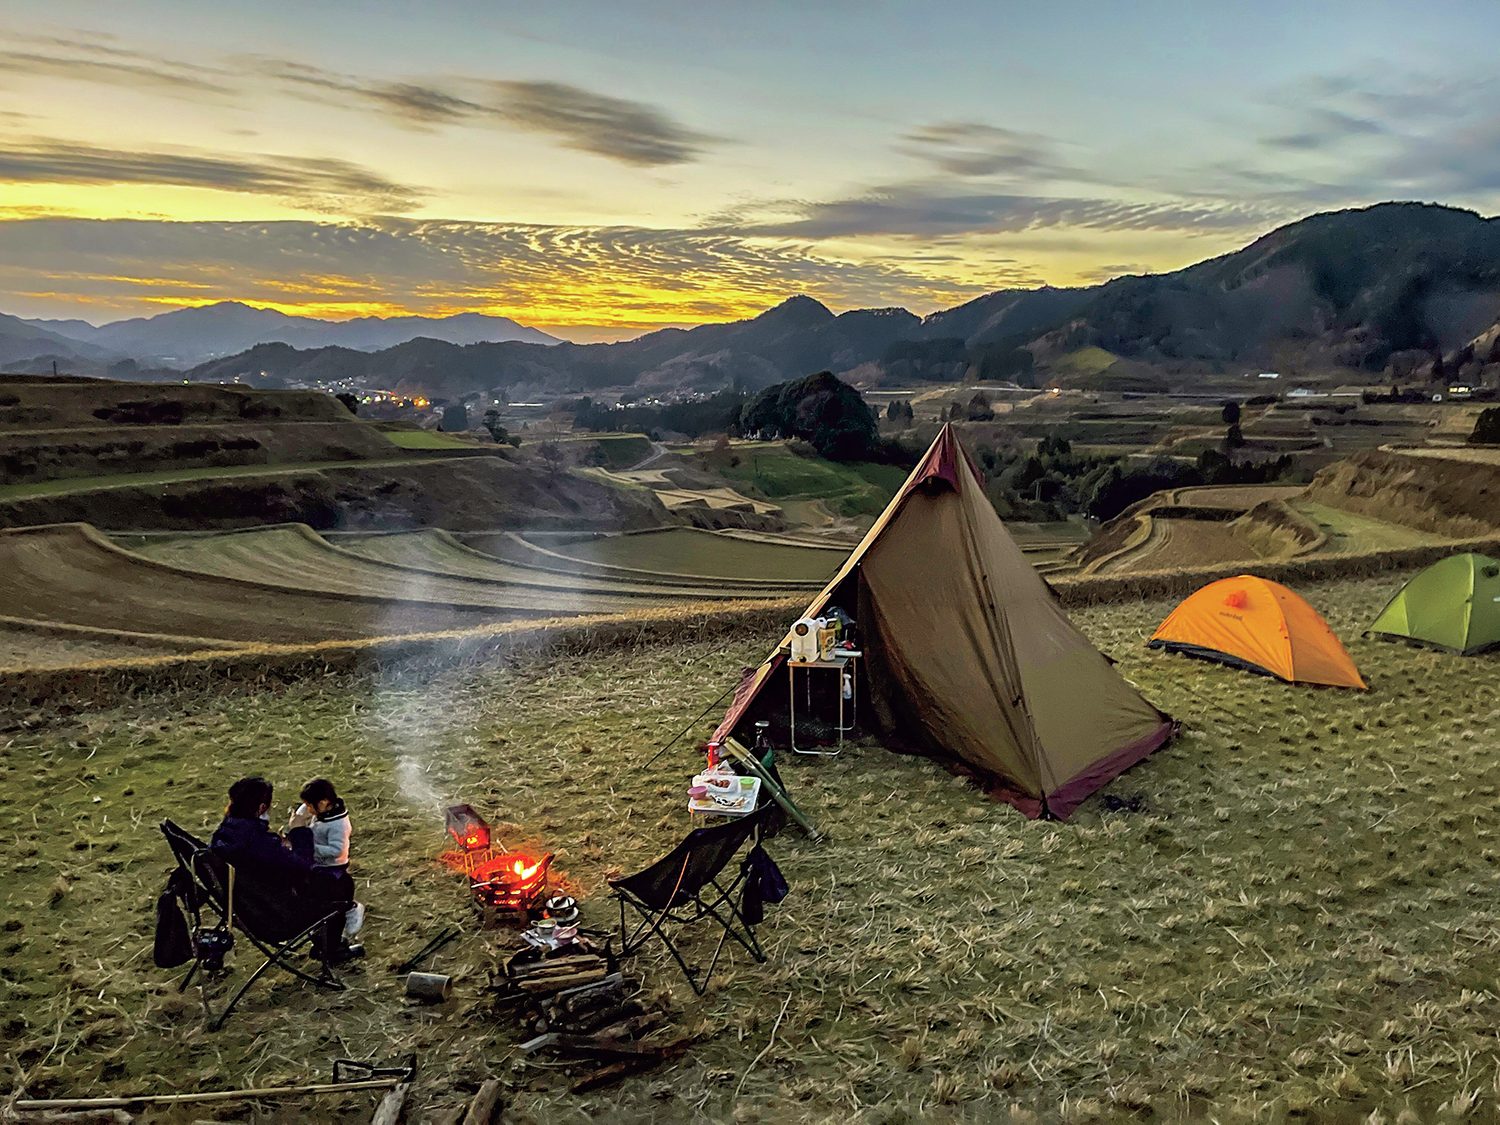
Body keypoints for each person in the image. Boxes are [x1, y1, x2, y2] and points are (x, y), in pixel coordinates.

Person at [211, 776, 362, 963]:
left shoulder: (226, 833)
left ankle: (325, 942)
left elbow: (269, 859)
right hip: (276, 916)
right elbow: (302, 866)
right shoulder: (256, 842)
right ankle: (330, 949)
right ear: (261, 808)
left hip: (250, 907)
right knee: (340, 883)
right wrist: (298, 831)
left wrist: (280, 845)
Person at [295, 778, 365, 941]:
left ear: (324, 802)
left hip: (332, 868)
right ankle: (321, 934)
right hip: (318, 863)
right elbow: (303, 812)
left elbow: (337, 850)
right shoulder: (322, 812)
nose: (308, 809)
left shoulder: (338, 825)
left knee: (330, 897)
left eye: (311, 806)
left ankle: (351, 909)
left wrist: (310, 848)